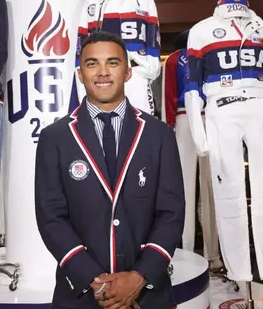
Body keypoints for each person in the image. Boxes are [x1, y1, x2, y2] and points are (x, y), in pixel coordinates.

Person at [34, 30, 186, 308]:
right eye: (92, 63)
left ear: (128, 72)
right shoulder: (54, 137)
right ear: (80, 74)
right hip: (81, 294)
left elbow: (172, 213)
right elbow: (50, 217)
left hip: (148, 294)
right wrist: (97, 281)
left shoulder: (159, 134)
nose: (102, 72)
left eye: (112, 63)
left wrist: (139, 277)